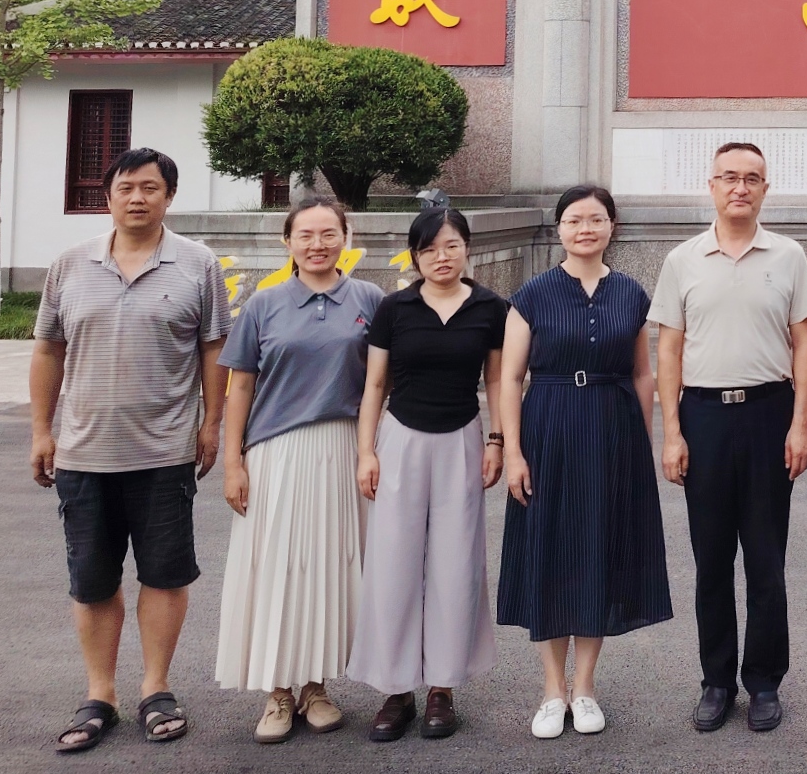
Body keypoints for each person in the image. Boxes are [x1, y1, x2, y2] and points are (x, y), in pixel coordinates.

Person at [29, 147, 230, 753]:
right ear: (109, 196)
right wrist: (41, 430)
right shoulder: (70, 264)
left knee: (165, 575)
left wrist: (212, 423)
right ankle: (100, 695)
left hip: (165, 452)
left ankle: (155, 688)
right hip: (83, 453)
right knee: (92, 579)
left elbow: (214, 349)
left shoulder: (197, 264)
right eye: (126, 187)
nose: (137, 198)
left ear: (169, 196)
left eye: (150, 188)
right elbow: (48, 349)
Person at [497, 185, 671, 739]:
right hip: (548, 425)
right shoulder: (532, 294)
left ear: (612, 226)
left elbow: (642, 373)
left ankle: (586, 687)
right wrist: (513, 451)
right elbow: (510, 378)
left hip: (612, 427)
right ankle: (552, 690)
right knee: (551, 549)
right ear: (560, 229)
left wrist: (641, 442)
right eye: (574, 220)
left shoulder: (631, 293)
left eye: (596, 219)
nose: (585, 229)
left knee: (599, 547)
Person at [653, 145, 807, 733]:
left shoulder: (789, 256)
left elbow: (804, 343)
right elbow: (668, 349)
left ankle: (765, 681)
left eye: (751, 179)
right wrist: (672, 433)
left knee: (767, 560)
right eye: (729, 178)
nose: (740, 187)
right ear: (712, 186)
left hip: (769, 413)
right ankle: (717, 681)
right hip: (703, 417)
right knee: (712, 561)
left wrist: (802, 424)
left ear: (765, 188)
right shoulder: (683, 260)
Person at [214, 197, 383, 743]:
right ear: (287, 242)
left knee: (330, 569)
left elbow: (384, 379)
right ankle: (278, 692)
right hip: (276, 453)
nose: (318, 244)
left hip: (344, 448)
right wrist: (233, 462)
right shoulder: (264, 304)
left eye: (329, 233)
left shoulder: (369, 299)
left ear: (345, 238)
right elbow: (241, 385)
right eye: (305, 235)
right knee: (279, 569)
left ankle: (316, 687)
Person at [347, 206, 505, 743]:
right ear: (415, 256)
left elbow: (497, 381)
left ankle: (442, 687)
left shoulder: (490, 308)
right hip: (400, 440)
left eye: (452, 245)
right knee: (393, 562)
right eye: (430, 248)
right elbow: (375, 385)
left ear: (467, 249)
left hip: (462, 438)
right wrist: (366, 452)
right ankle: (396, 690)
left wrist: (496, 440)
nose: (442, 257)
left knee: (455, 563)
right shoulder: (395, 308)